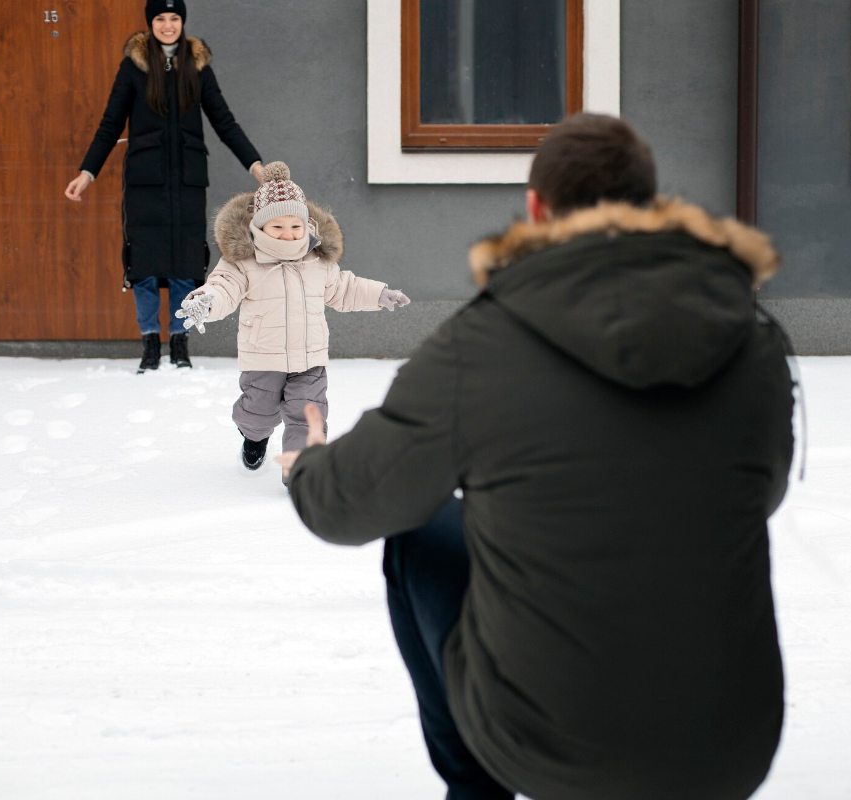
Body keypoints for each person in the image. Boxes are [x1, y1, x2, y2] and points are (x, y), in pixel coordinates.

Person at [277, 113, 796, 799]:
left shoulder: (484, 344)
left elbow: (347, 505)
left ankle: (476, 791)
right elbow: (762, 492)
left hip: (548, 748)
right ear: (648, 205)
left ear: (536, 208)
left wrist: (309, 464)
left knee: (421, 534)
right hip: (731, 748)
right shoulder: (749, 340)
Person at [65, 0, 263, 374]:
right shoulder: (133, 67)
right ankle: (150, 343)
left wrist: (255, 164)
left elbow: (224, 121)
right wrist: (87, 172)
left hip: (187, 181)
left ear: (182, 21)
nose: (168, 25)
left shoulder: (198, 67)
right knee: (143, 265)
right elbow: (110, 124)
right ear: (150, 22)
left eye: (174, 18)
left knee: (184, 264)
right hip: (145, 182)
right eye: (160, 18)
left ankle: (180, 341)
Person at [176, 162, 411, 477]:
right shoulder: (244, 261)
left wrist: (379, 294)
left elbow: (344, 288)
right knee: (258, 413)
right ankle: (254, 437)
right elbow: (223, 287)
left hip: (309, 359)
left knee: (307, 414)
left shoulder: (317, 261)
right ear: (260, 227)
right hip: (263, 357)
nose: (288, 234)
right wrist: (205, 302)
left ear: (306, 224)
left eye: (295, 226)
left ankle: (301, 469)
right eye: (277, 227)